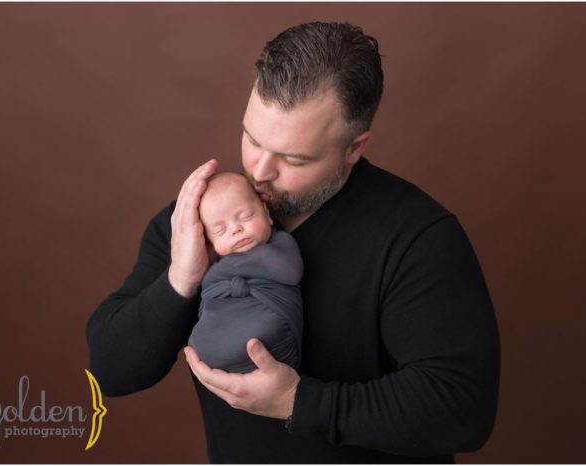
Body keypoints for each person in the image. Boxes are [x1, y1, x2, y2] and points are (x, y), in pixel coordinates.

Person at [87, 21, 500, 463]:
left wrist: (298, 402)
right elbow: (110, 371)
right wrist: (181, 279)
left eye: (293, 158)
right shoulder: (203, 223)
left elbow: (463, 409)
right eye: (252, 138)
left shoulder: (417, 238)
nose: (260, 170)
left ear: (354, 148)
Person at [187, 172, 304, 373]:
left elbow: (290, 272)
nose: (236, 229)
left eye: (245, 216)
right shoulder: (216, 262)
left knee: (266, 328)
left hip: (266, 317)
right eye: (219, 230)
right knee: (199, 340)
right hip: (226, 315)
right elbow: (210, 290)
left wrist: (231, 267)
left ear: (267, 214)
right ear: (210, 242)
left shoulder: (280, 243)